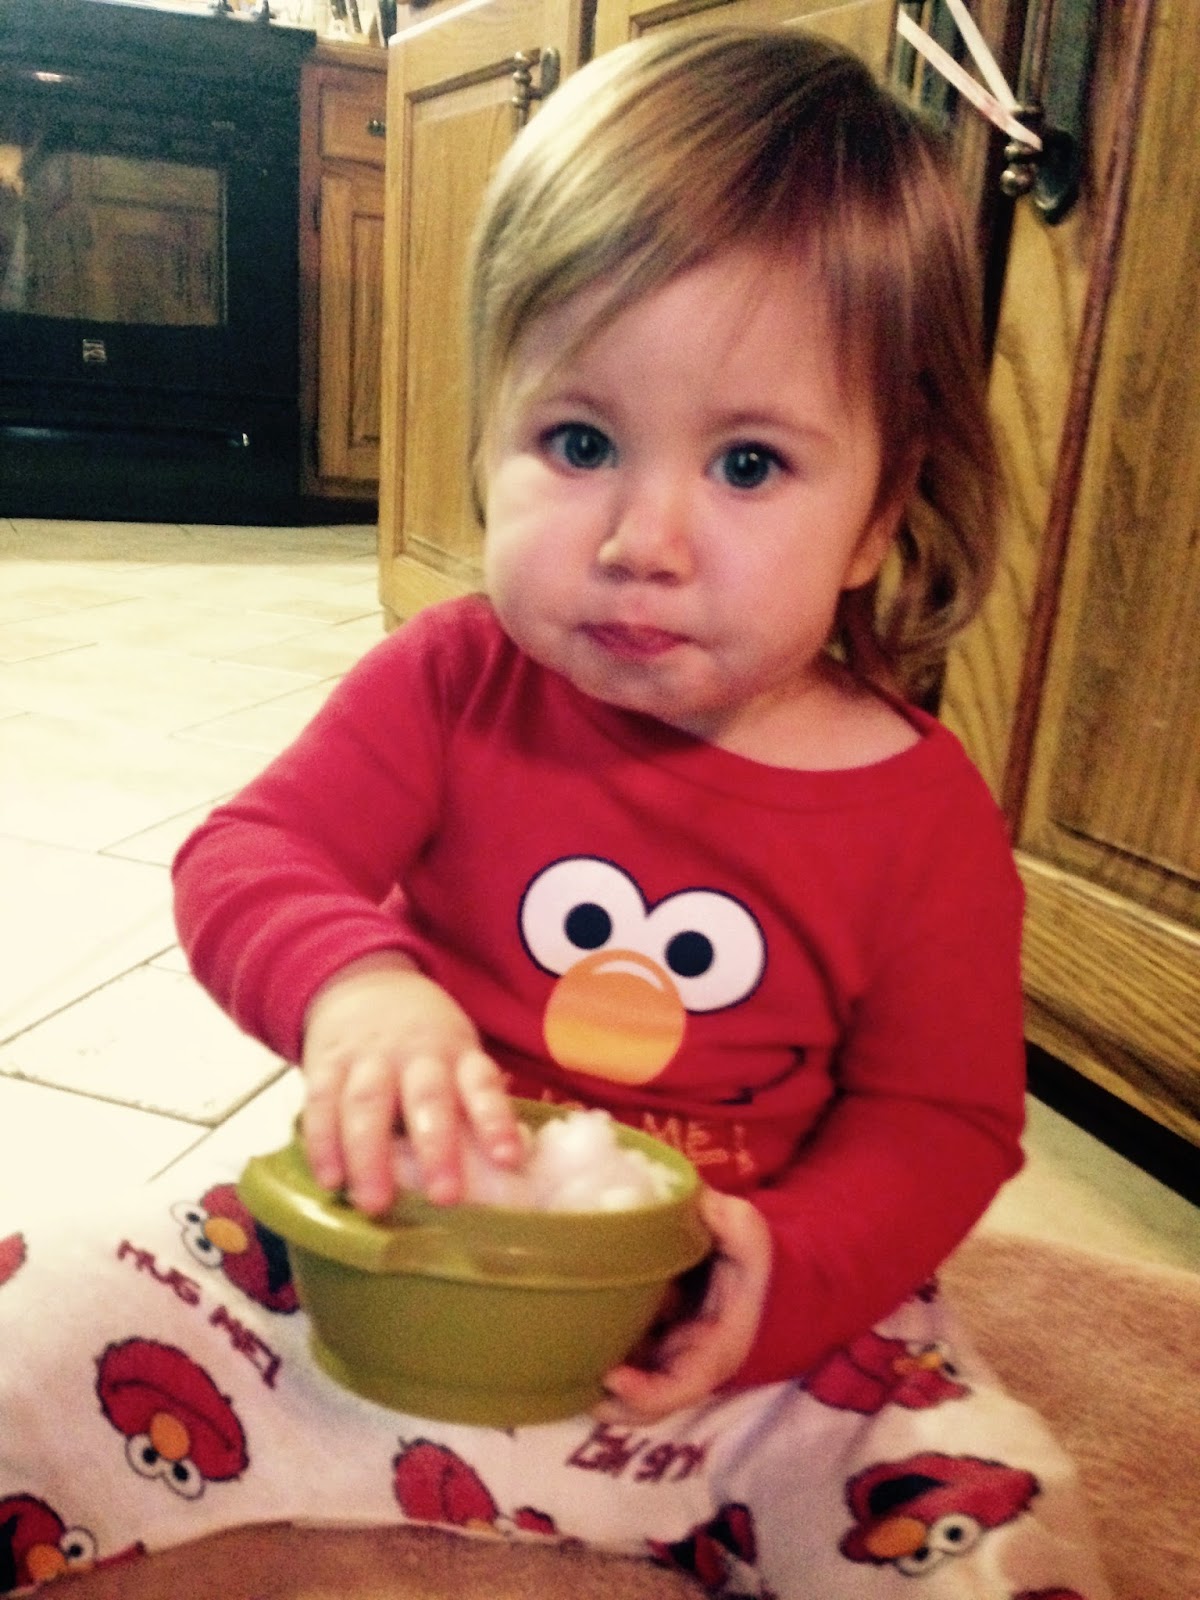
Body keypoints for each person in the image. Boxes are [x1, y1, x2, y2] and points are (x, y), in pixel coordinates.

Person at [0, 28, 1110, 1599]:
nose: (644, 537)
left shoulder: (917, 811)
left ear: (878, 513)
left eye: (748, 463)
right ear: (488, 434)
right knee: (38, 1305)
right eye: (580, 443)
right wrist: (357, 984)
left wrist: (797, 1276)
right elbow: (249, 855)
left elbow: (945, 1120)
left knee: (983, 1512)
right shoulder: (456, 679)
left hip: (727, 1357)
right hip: (389, 1283)